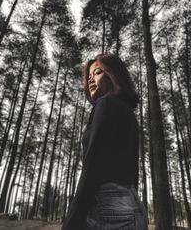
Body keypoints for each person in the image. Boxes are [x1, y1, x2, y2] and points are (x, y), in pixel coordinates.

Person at [62, 54, 148, 230]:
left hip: (108, 206)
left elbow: (92, 165)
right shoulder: (128, 114)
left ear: (113, 74)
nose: (91, 79)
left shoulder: (106, 103)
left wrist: (71, 222)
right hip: (132, 205)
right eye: (89, 76)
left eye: (98, 72)